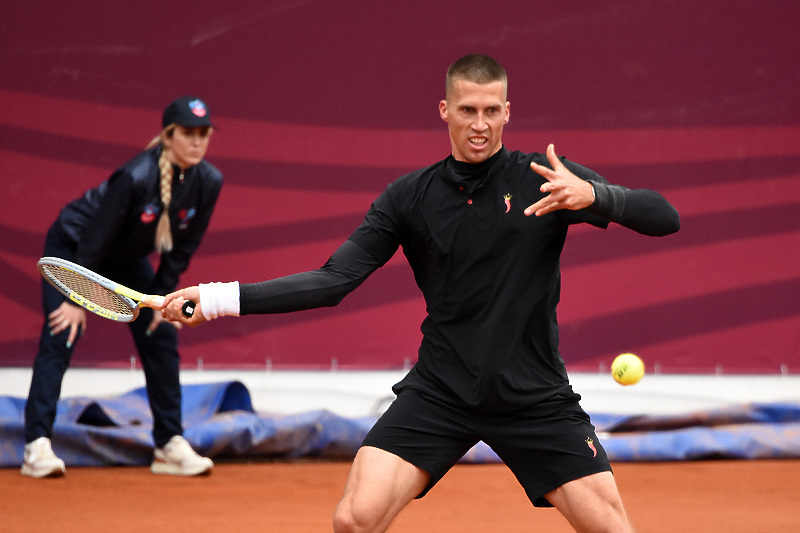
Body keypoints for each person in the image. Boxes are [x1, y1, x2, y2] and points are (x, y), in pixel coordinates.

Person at [162, 55, 680, 532]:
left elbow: (665, 218)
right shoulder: (407, 197)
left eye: (491, 110)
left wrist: (597, 196)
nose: (480, 123)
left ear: (506, 112)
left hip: (534, 396)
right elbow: (332, 281)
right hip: (442, 391)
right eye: (467, 109)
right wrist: (214, 299)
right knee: (354, 519)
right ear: (445, 110)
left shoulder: (545, 178)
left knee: (613, 529)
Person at [22, 96, 223, 478]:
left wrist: (165, 301)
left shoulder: (209, 182)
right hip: (75, 250)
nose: (197, 142)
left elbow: (183, 248)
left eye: (204, 134)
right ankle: (37, 446)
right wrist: (75, 296)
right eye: (188, 133)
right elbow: (95, 238)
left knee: (161, 335)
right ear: (168, 136)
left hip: (125, 258)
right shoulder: (135, 176)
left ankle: (168, 445)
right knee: (62, 333)